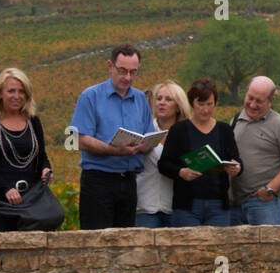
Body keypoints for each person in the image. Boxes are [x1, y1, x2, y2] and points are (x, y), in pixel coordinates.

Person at [69, 43, 154, 229]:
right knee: (96, 243)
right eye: (122, 71)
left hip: (129, 181)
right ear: (110, 66)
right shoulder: (90, 96)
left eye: (133, 72)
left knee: (126, 244)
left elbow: (149, 135)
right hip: (99, 181)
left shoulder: (140, 99)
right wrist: (114, 150)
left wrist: (145, 144)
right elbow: (79, 139)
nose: (127, 77)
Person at [0, 68, 52, 232]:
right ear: (0, 93)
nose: (17, 96)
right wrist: (6, 189)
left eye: (21, 91)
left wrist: (46, 169)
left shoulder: (33, 121)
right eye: (11, 91)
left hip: (31, 203)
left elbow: (41, 156)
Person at [158, 78, 242, 227]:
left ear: (215, 103)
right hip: (187, 206)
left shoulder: (224, 130)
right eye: (200, 104)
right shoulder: (179, 130)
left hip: (218, 205)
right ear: (192, 104)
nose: (205, 110)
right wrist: (181, 172)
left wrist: (236, 168)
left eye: (209, 104)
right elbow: (164, 164)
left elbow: (237, 160)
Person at [230, 76, 280, 226]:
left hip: (265, 204)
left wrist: (270, 189)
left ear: (271, 101)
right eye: (250, 98)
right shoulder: (235, 120)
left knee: (271, 249)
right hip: (235, 204)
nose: (252, 104)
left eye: (259, 101)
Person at [135, 81, 190, 228]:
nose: (161, 103)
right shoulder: (144, 130)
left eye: (168, 99)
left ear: (178, 106)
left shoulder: (187, 134)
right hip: (145, 207)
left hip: (176, 208)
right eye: (159, 99)